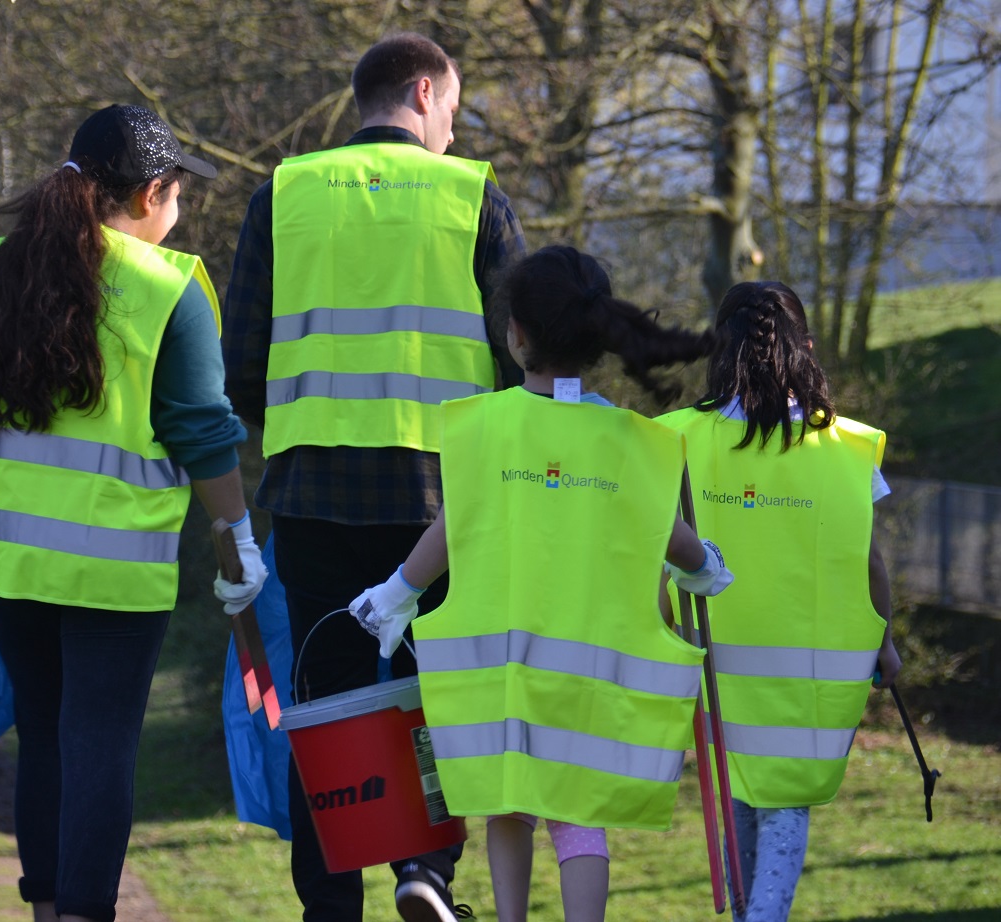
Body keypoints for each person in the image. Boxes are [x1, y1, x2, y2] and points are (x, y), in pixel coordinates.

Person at [0, 103, 267, 922]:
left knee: (42, 741)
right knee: (100, 748)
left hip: (7, 563)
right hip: (114, 573)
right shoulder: (167, 289)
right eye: (179, 194)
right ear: (151, 193)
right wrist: (238, 542)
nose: (179, 213)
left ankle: (46, 912)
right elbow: (203, 434)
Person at [222, 32, 527, 922]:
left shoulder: (282, 196)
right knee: (442, 689)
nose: (454, 138)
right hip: (445, 501)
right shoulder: (473, 196)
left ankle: (332, 907)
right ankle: (424, 868)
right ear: (425, 93)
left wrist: (302, 421)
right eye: (454, 117)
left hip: (313, 494)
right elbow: (523, 355)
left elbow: (242, 362)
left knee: (328, 700)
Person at [349, 246, 733, 922]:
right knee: (579, 815)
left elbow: (453, 529)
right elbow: (669, 534)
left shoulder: (482, 427)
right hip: (594, 682)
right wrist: (702, 564)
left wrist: (397, 591)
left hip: (505, 675)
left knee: (508, 801)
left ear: (514, 334)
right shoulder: (633, 441)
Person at [656, 281, 900, 922]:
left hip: (711, 673)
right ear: (807, 350)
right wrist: (888, 644)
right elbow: (868, 560)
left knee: (735, 793)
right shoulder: (845, 451)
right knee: (786, 803)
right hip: (809, 682)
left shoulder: (675, 439)